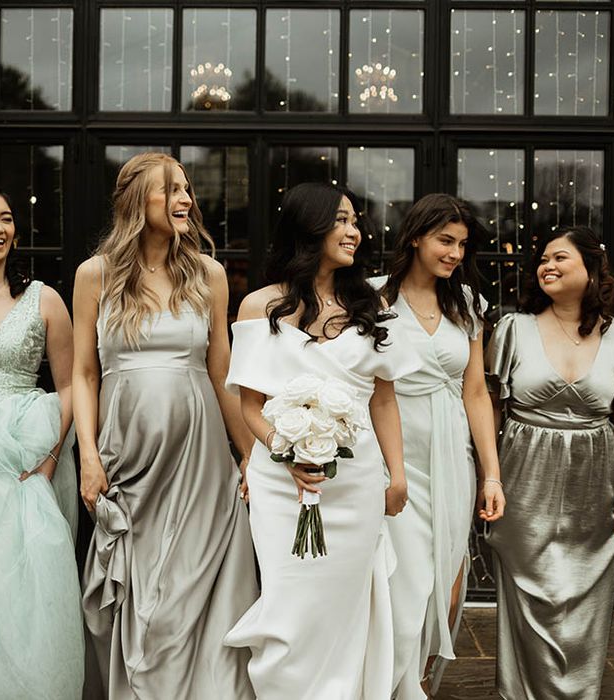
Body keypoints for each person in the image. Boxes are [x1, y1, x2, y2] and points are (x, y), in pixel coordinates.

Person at [223, 182, 419, 699]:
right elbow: (249, 406)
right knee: (292, 598)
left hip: (355, 484)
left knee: (343, 600)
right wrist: (285, 455)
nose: (355, 231)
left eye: (356, 221)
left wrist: (396, 475)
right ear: (308, 226)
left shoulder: (368, 305)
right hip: (281, 482)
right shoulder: (259, 307)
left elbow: (383, 399)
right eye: (342, 220)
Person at [73, 152, 258, 699]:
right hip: (127, 460)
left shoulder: (209, 274)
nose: (186, 200)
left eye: (187, 190)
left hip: (200, 462)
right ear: (137, 201)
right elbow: (84, 373)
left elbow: (221, 371)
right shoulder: (95, 275)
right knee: (143, 601)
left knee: (187, 594)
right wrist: (87, 456)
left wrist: (248, 452)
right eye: (171, 190)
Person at [485, 225, 614, 699]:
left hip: (593, 482)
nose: (548, 265)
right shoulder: (512, 329)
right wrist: (489, 479)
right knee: (527, 594)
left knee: (584, 596)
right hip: (525, 478)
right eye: (543, 258)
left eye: (560, 257)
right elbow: (489, 410)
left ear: (591, 270)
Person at [371, 193, 505, 699]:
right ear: (415, 237)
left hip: (452, 451)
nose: (454, 253)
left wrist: (491, 474)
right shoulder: (374, 298)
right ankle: (389, 686)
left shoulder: (466, 303)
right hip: (394, 451)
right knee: (403, 582)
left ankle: (419, 682)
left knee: (447, 585)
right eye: (445, 241)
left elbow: (476, 392)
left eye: (462, 244)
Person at [0, 181, 83, 699]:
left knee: (18, 588)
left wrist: (49, 459)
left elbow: (70, 386)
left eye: (6, 218)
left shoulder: (43, 298)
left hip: (19, 460)